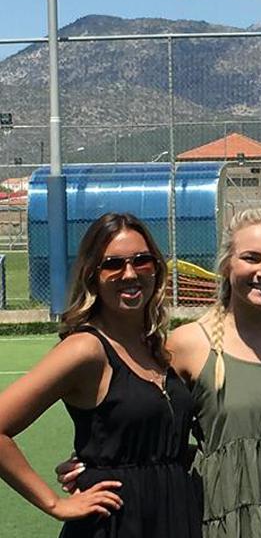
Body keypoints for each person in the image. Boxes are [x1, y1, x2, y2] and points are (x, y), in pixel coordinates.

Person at [58, 208, 261, 537]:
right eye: (251, 257)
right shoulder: (187, 344)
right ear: (227, 264)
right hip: (225, 515)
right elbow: (146, 421)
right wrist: (94, 465)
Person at [0, 212, 200, 537]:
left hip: (174, 512)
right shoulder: (85, 349)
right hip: (115, 522)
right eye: (113, 264)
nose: (130, 273)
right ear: (93, 275)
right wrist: (55, 504)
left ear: (157, 268)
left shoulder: (156, 348)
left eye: (142, 260)